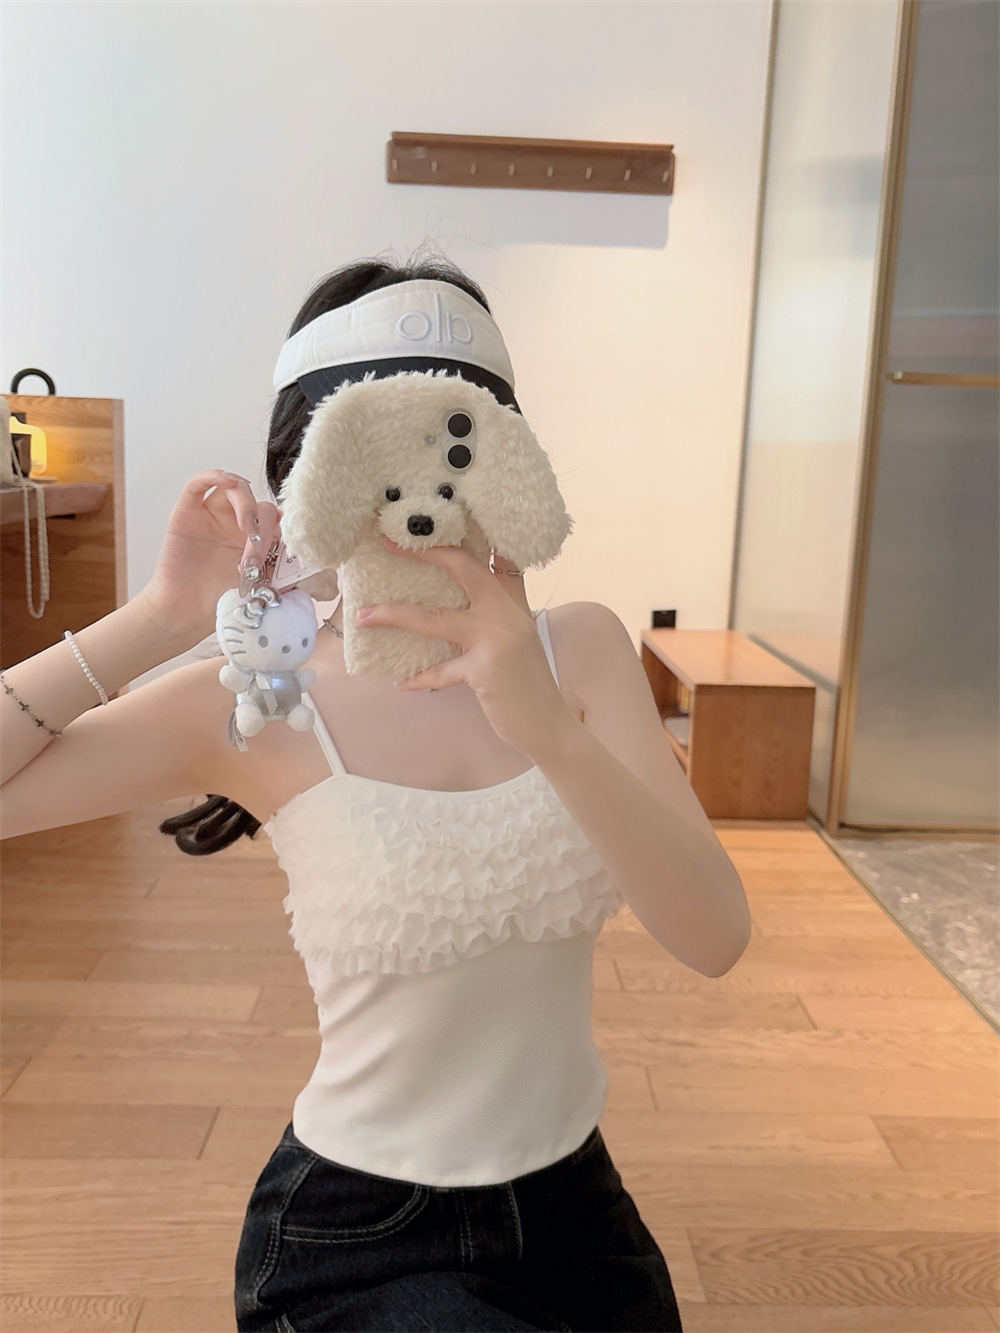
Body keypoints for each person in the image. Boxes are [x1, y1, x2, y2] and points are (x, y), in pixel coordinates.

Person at [0, 257, 752, 1332]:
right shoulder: (260, 696)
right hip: (358, 1232)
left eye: (454, 443)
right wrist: (162, 615)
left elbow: (715, 936)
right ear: (314, 478)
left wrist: (546, 727)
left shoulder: (579, 651)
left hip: (577, 1208)